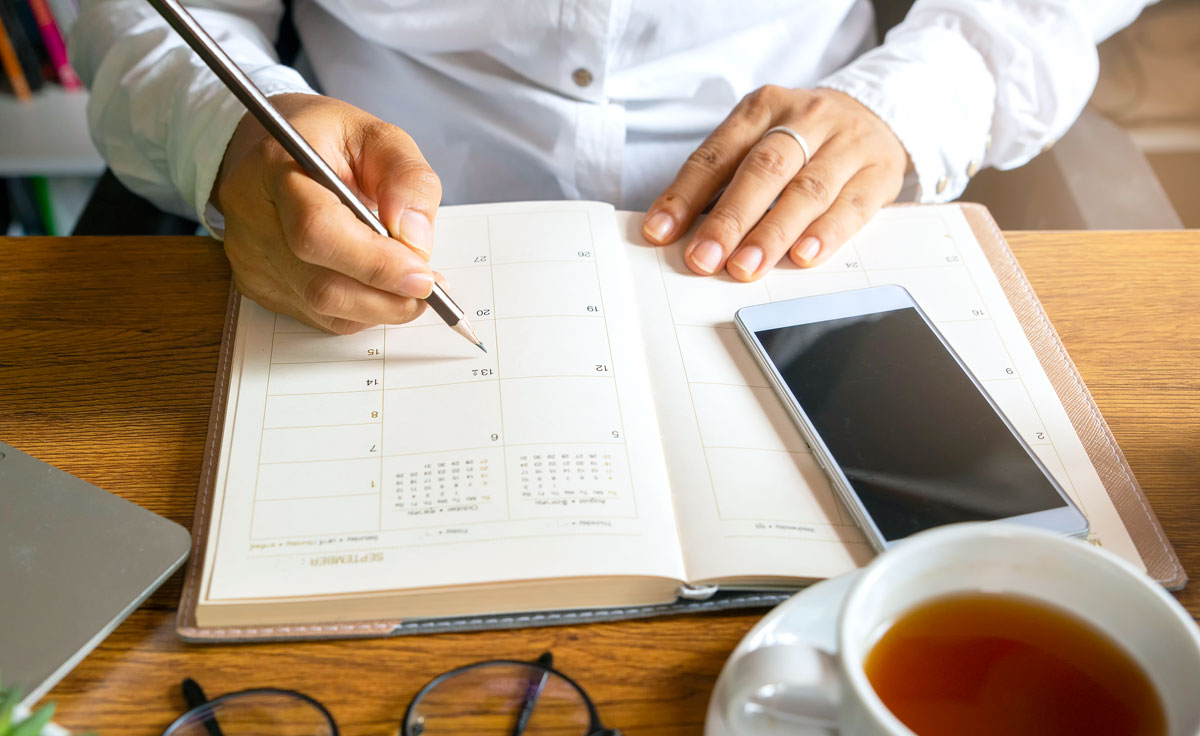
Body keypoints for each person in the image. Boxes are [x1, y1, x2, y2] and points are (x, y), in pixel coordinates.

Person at [71, 0, 1151, 334]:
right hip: (360, 220)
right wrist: (228, 129)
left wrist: (915, 100)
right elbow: (160, 16)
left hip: (825, 220)